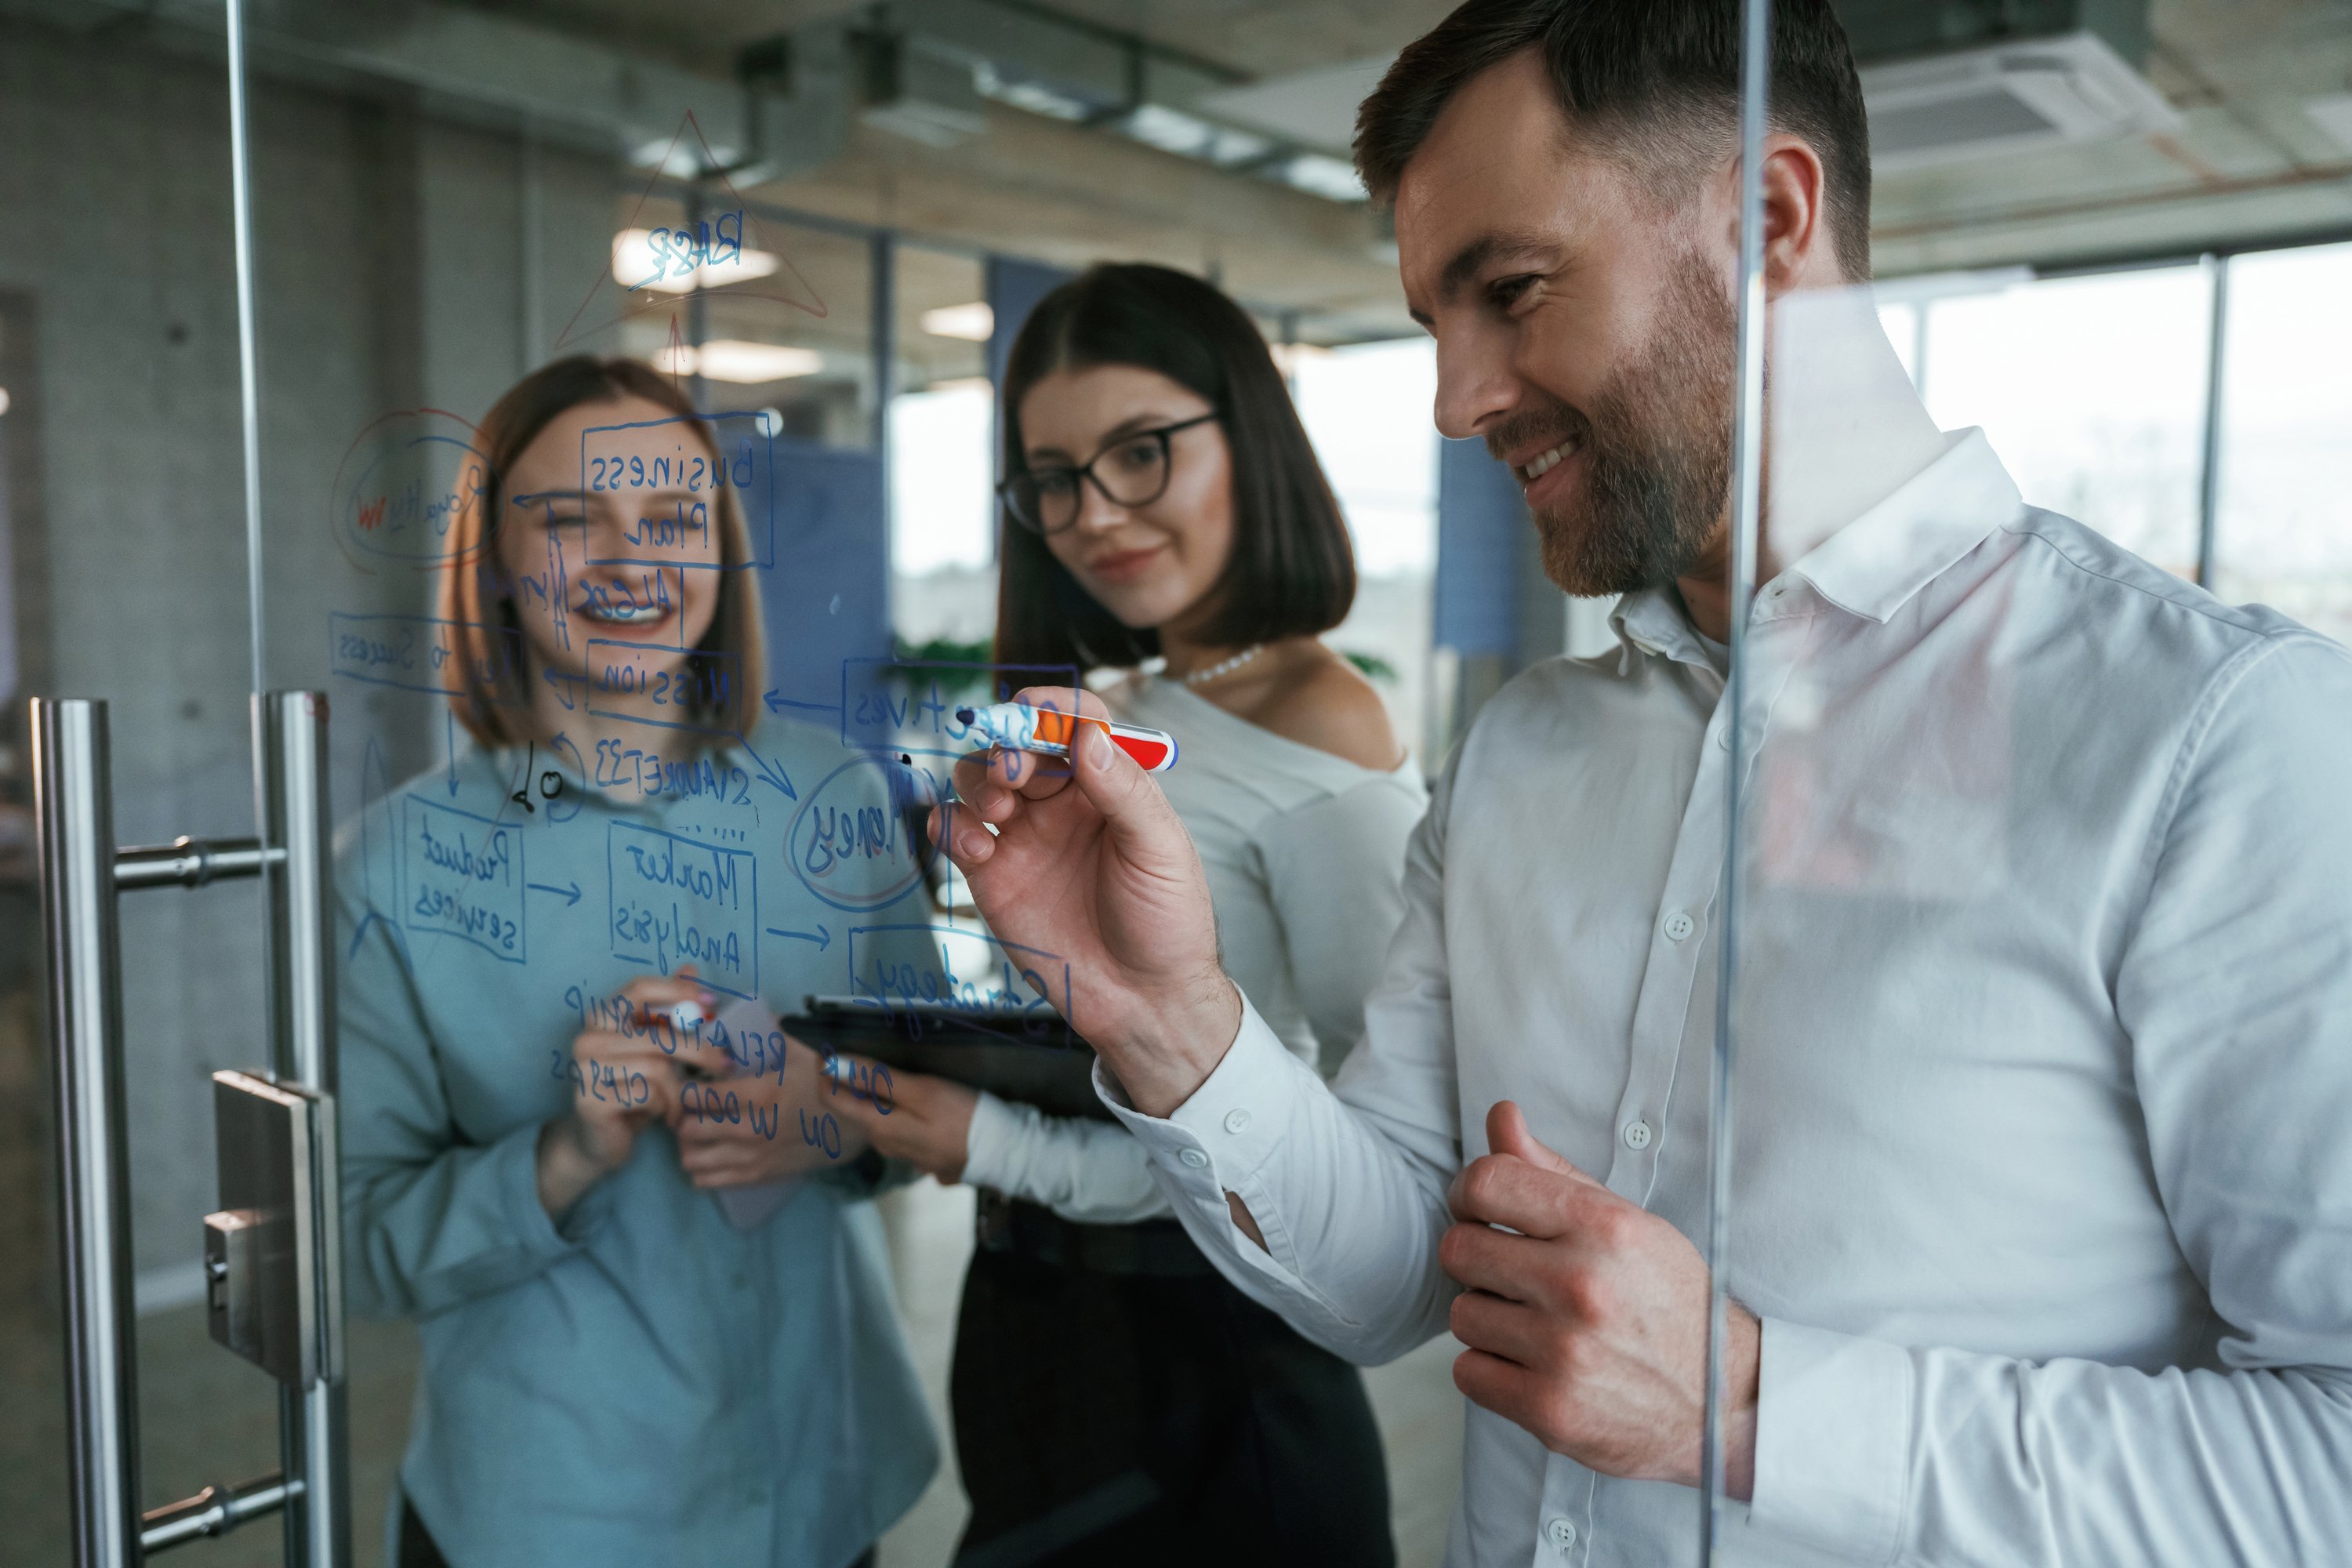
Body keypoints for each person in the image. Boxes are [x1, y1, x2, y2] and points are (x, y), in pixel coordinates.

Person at [924, 3, 2352, 1565]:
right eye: (1432, 324)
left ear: (1771, 219)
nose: (1456, 399)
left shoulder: (2221, 737)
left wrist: (1749, 1407)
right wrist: (1172, 1022)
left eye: (1513, 291)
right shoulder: (1523, 755)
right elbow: (1399, 1275)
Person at [831, 263, 1424, 1565]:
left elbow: (1344, 1173)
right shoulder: (1118, 708)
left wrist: (988, 1140)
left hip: (1211, 1365)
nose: (1093, 512)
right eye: (1054, 476)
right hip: (1037, 1328)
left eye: (1141, 452)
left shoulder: (1323, 728)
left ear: (1248, 436)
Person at [337, 356, 936, 1568]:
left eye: (673, 520)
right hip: (549, 1517)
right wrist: (563, 1159)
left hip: (821, 1491)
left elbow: (925, 1107)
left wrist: (832, 1118)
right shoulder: (396, 866)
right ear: (495, 560)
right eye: (570, 521)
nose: (632, 561)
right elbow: (351, 1246)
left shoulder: (837, 796)